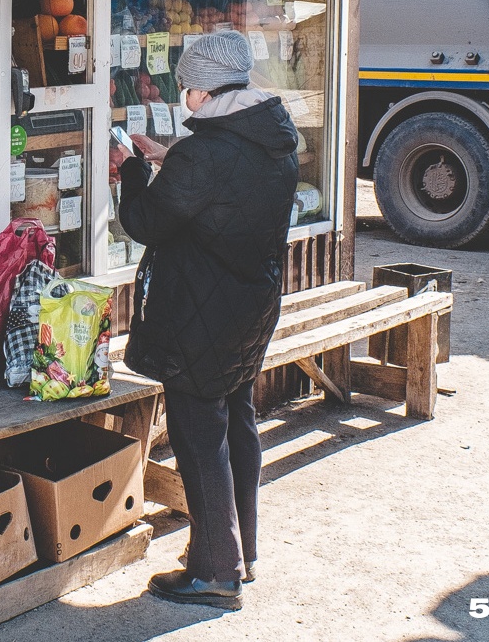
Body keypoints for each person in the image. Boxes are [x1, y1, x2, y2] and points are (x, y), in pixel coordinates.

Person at [116, 30, 299, 611]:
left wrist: (131, 171)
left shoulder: (204, 153)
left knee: (199, 438)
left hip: (200, 315)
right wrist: (172, 159)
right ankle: (240, 551)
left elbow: (148, 223)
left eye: (186, 85)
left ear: (200, 87)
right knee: (236, 420)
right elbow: (225, 189)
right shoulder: (272, 137)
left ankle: (214, 573)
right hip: (250, 308)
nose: (184, 95)